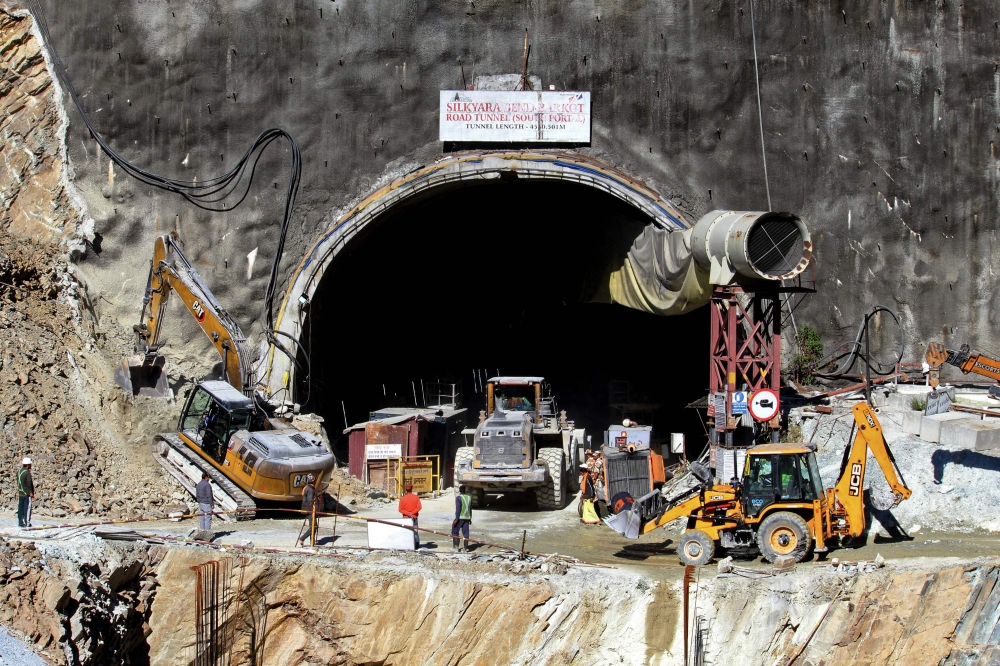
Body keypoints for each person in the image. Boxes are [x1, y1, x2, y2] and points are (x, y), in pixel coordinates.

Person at [398, 482, 422, 547]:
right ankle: (416, 545)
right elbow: (419, 507)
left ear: (406, 489)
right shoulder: (416, 497)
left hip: (406, 518)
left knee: (406, 531)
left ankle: (407, 545)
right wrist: (412, 513)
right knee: (415, 532)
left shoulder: (402, 499)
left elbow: (400, 509)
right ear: (412, 489)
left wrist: (407, 513)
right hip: (414, 517)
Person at [297, 475, 318, 548]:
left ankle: (312, 542)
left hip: (308, 509)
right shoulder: (310, 489)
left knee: (314, 526)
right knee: (314, 526)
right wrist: (313, 510)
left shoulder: (307, 488)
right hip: (310, 510)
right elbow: (310, 500)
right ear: (314, 481)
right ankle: (302, 538)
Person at [451, 485, 473, 552]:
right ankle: (465, 549)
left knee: (455, 532)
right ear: (465, 490)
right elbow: (470, 509)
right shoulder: (469, 498)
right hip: (467, 518)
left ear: (459, 491)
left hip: (460, 518)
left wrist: (456, 519)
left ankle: (456, 548)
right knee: (466, 534)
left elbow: (458, 509)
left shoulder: (459, 498)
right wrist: (470, 518)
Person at [17, 457, 34, 529]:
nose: (31, 465)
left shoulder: (19, 471)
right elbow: (29, 483)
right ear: (27, 465)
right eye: (30, 464)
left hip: (20, 493)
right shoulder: (27, 473)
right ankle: (27, 522)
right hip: (26, 494)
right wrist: (30, 492)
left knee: (20, 508)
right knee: (27, 508)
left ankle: (20, 522)